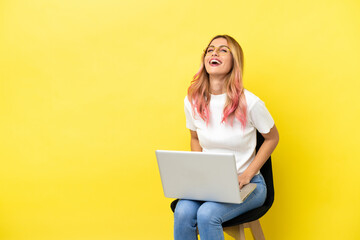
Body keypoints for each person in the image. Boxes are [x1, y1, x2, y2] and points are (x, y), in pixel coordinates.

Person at [173, 35, 279, 240]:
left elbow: (272, 138)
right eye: (210, 49)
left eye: (223, 50)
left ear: (234, 61)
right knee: (183, 211)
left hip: (250, 185)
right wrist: (199, 170)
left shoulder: (251, 102)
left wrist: (248, 174)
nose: (214, 52)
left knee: (207, 214)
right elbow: (195, 138)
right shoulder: (192, 101)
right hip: (210, 184)